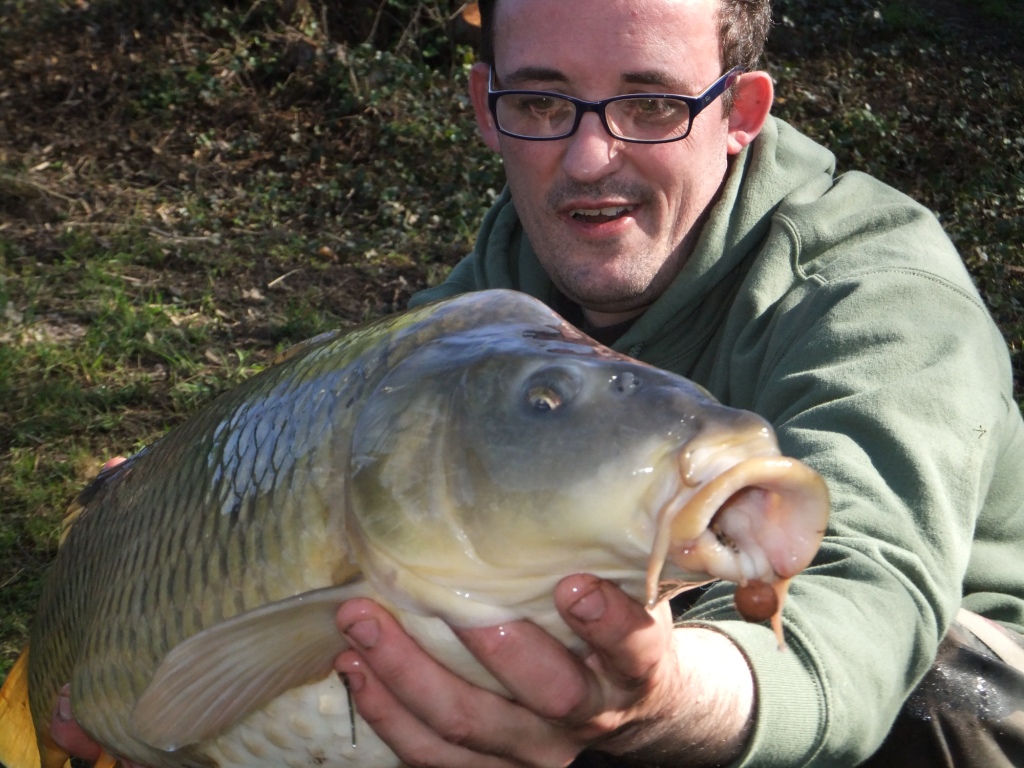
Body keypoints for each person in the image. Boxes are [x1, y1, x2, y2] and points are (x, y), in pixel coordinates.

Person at [50, 0, 1024, 765]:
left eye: (650, 103)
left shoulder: (878, 296)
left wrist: (652, 701)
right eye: (542, 102)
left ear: (738, 114)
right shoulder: (481, 311)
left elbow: (865, 608)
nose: (590, 158)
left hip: (946, 717)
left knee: (931, 682)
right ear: (486, 108)